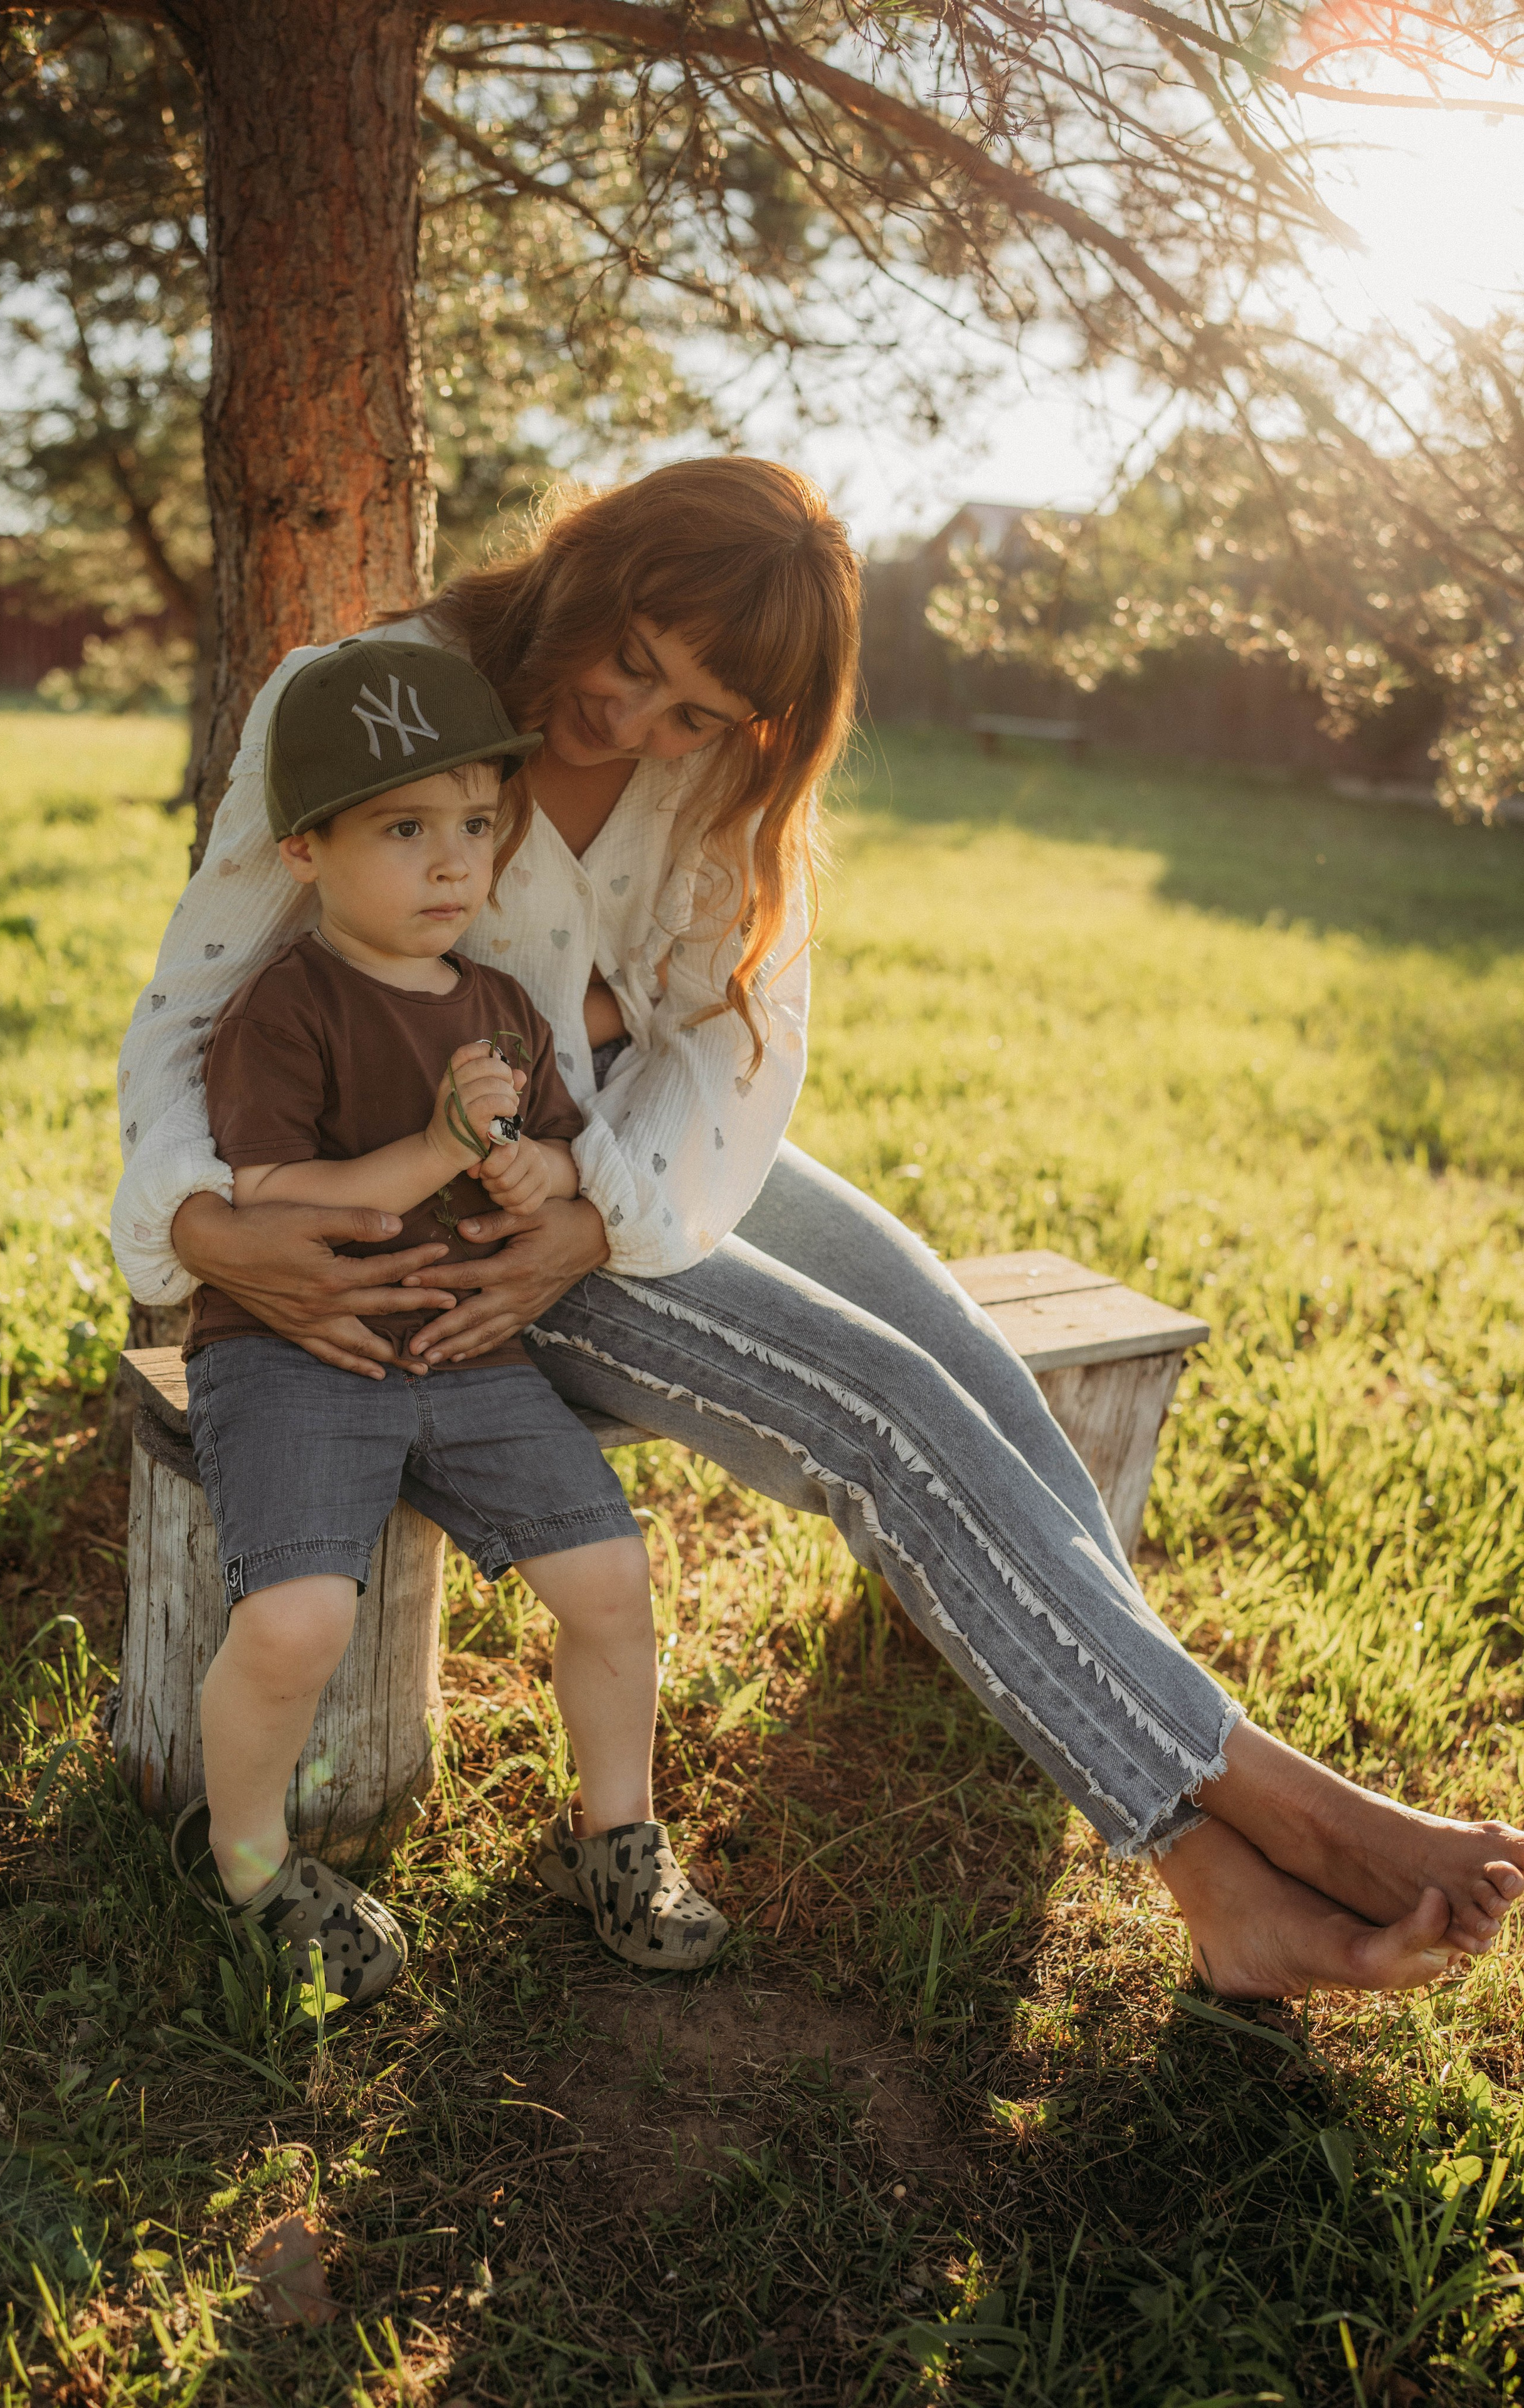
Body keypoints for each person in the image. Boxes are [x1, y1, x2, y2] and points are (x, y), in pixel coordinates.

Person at [116, 456, 1524, 2003]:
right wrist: (200, 1228)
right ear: (586, 570)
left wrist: (601, 1211)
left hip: (626, 1163)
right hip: (457, 1216)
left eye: (695, 714)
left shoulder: (722, 774)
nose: (635, 725)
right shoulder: (376, 698)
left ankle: (1208, 1865)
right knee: (885, 1412)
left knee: (966, 1361)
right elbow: (194, 1001)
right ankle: (1265, 1821)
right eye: (631, 662)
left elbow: (735, 1041)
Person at [166, 637, 728, 2007]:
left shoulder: (495, 1007)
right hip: (303, 1354)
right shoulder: (284, 1007)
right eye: (402, 830)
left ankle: (613, 1834)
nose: (449, 865)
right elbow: (274, 1194)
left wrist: (532, 1170)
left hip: (472, 1357)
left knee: (609, 1579)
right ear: (304, 852)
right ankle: (244, 1860)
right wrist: (430, 1149)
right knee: (297, 1619)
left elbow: (541, 1146)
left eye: (475, 827)